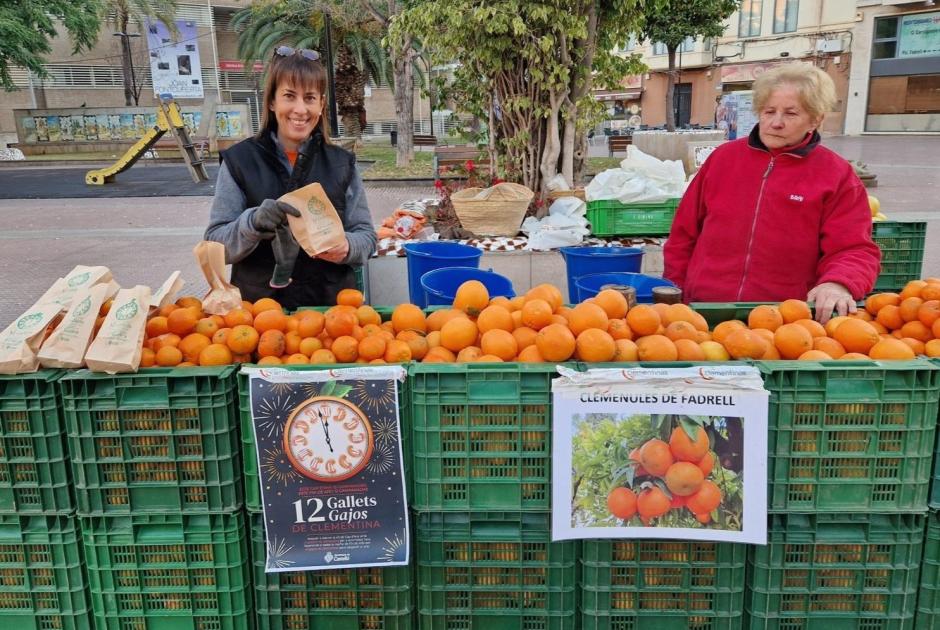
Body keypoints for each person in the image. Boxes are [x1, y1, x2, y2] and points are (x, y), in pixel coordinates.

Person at [663, 64, 880, 323]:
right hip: (704, 311)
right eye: (769, 111)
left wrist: (839, 283)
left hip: (785, 321)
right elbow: (683, 235)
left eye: (790, 114)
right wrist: (676, 292)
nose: (776, 123)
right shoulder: (723, 159)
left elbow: (854, 249)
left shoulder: (836, 175)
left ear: (816, 119)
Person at [205, 46, 377, 308]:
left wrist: (347, 247)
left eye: (309, 98)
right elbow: (215, 246)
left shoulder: (342, 164)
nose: (300, 109)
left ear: (321, 104)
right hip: (260, 316)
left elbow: (366, 236)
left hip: (331, 316)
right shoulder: (239, 161)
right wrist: (252, 223)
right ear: (272, 102)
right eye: (289, 96)